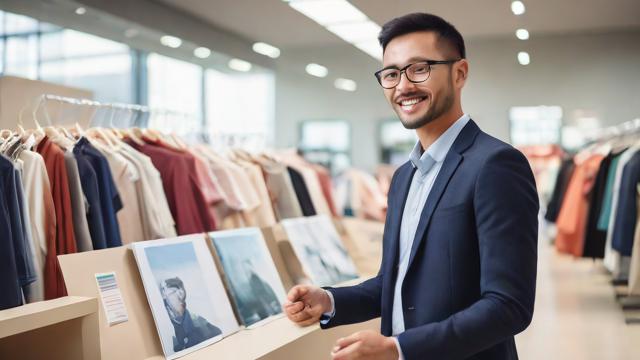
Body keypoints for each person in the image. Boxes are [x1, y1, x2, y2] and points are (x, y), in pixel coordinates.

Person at [283, 12, 538, 360]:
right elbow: (396, 282)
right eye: (391, 74)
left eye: (419, 69)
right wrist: (328, 301)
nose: (403, 86)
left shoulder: (495, 165)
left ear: (459, 72)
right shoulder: (404, 177)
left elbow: (508, 305)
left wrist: (399, 348)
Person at [160, 277, 222, 352]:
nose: (165, 298)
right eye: (163, 295)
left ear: (181, 293)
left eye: (169, 294)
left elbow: (217, 335)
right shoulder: (169, 326)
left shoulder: (201, 324)